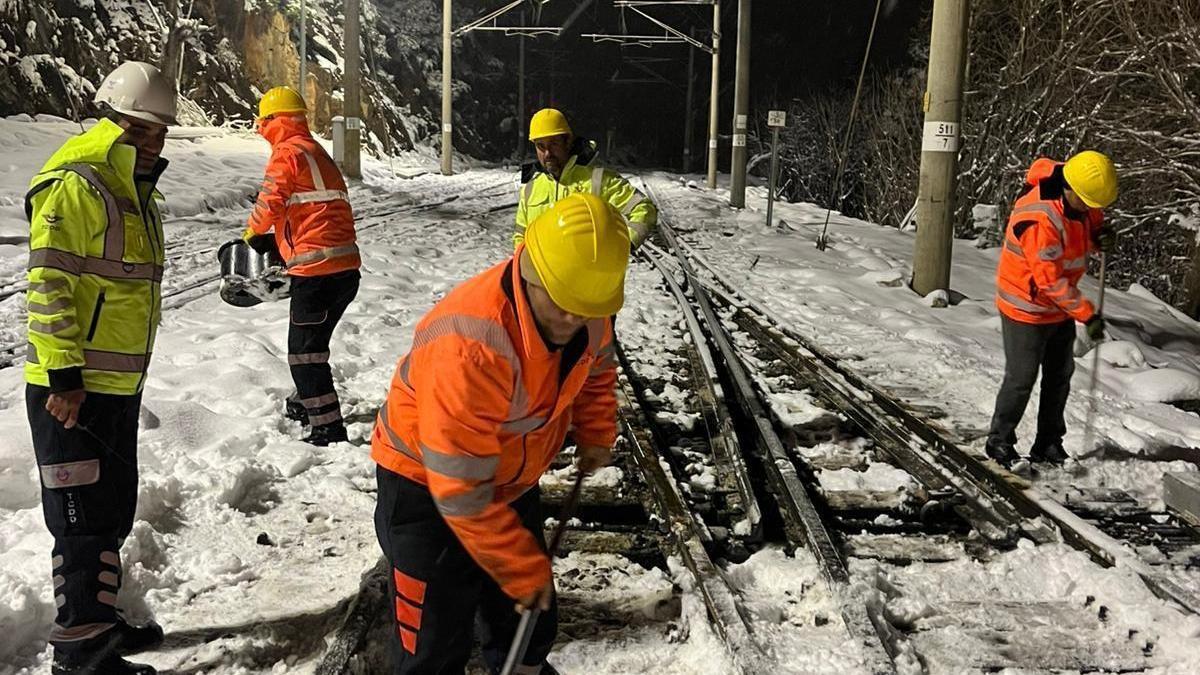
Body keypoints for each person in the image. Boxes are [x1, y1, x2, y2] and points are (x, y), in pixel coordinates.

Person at [372, 193, 628, 673]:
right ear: (532, 272)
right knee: (432, 636)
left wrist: (595, 430)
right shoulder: (470, 344)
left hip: (510, 476)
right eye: (563, 305)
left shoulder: (586, 305)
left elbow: (597, 368)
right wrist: (517, 564)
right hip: (426, 486)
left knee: (528, 620)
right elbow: (461, 490)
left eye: (587, 310)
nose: (574, 321)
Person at [25, 61, 177, 675]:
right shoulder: (77, 183)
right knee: (81, 521)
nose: (151, 140)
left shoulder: (133, 188)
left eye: (160, 130)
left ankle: (101, 622)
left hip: (114, 385)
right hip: (74, 389)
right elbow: (48, 282)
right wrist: (63, 375)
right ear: (110, 118)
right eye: (139, 128)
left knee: (110, 509)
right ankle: (80, 650)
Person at [243, 86, 361, 446]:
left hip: (317, 272)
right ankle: (305, 402)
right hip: (344, 270)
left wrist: (253, 235)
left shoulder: (287, 153)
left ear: (272, 121)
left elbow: (270, 201)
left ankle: (327, 427)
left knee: (304, 354)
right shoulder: (315, 151)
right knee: (314, 344)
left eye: (262, 121)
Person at [986, 150, 1118, 468]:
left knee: (1060, 375)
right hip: (1026, 307)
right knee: (1021, 378)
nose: (1092, 210)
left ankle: (1048, 443)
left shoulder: (1079, 193)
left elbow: (1089, 222)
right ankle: (999, 441)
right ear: (1071, 189)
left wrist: (1098, 236)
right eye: (1088, 203)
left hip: (1058, 308)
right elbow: (1050, 282)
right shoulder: (1040, 219)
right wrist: (1087, 314)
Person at [514, 108, 657, 251]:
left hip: (590, 273)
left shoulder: (598, 180)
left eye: (554, 144)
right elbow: (521, 234)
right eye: (541, 146)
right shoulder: (530, 187)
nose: (547, 153)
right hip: (544, 273)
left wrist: (624, 246)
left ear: (568, 141)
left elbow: (644, 208)